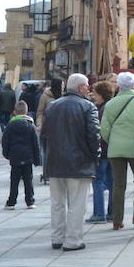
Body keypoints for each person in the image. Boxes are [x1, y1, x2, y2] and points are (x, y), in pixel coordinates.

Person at [40, 73, 100, 251]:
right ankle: (73, 240)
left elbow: (44, 135)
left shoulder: (52, 106)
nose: (89, 88)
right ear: (81, 87)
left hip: (55, 162)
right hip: (79, 162)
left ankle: (57, 237)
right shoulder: (88, 107)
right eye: (87, 85)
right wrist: (95, 157)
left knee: (57, 203)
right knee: (77, 203)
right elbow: (94, 136)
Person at [103, 71, 134, 229]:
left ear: (119, 86)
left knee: (118, 184)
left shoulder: (110, 104)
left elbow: (104, 129)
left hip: (116, 149)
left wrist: (114, 141)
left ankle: (117, 220)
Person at [87, 79, 116, 224]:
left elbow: (98, 130)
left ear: (102, 94)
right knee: (111, 182)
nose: (93, 96)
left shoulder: (102, 109)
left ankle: (99, 213)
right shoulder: (112, 106)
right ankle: (112, 213)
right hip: (113, 149)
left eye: (96, 93)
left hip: (102, 150)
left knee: (98, 181)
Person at [1, 99, 40, 209]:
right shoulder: (31, 126)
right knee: (28, 180)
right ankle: (30, 201)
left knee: (14, 180)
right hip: (28, 157)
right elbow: (35, 144)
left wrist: (7, 154)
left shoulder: (10, 125)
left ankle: (11, 202)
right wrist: (37, 159)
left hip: (15, 157)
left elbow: (5, 142)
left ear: (15, 112)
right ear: (26, 112)